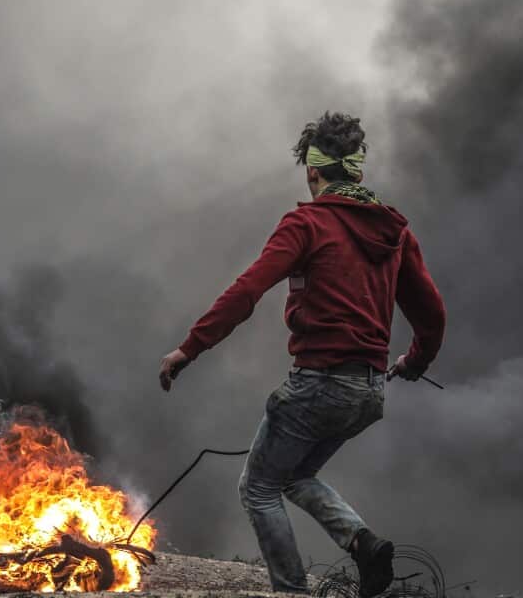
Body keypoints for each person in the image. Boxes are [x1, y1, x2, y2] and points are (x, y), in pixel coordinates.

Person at [158, 112, 446, 596]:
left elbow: (248, 290)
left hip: (319, 385)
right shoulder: (396, 233)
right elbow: (432, 315)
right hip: (371, 391)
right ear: (356, 170)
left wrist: (190, 348)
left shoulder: (307, 223)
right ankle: (363, 543)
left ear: (313, 171)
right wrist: (414, 363)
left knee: (258, 488)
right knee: (295, 476)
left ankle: (291, 592)